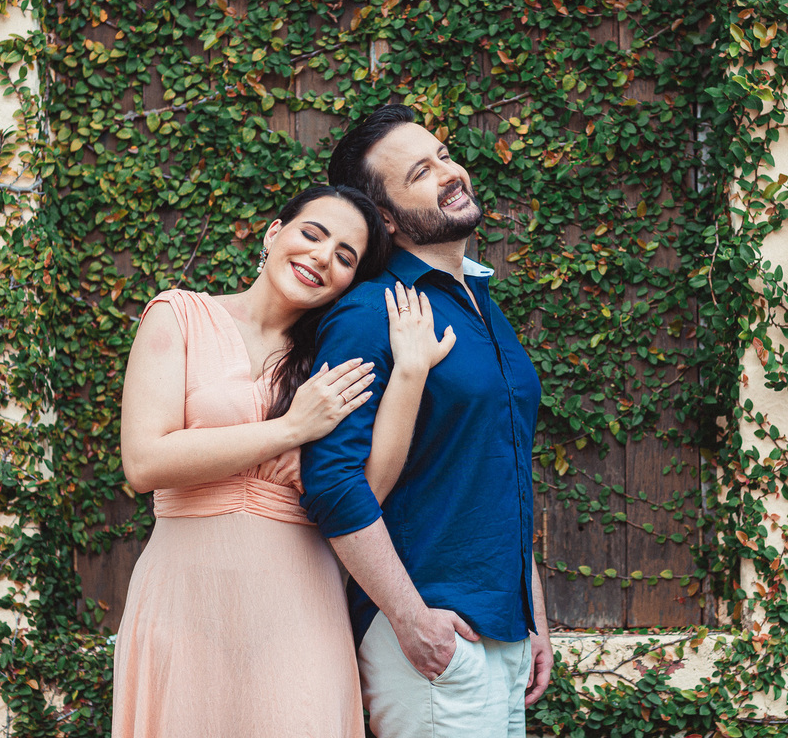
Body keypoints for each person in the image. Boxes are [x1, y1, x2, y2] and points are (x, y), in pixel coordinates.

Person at [111, 184, 456, 738]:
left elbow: (367, 487)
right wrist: (290, 430)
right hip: (183, 601)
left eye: (345, 257)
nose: (323, 257)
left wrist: (411, 373)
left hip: (298, 610)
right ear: (274, 233)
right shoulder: (178, 316)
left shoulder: (331, 353)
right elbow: (146, 461)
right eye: (312, 235)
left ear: (350, 281)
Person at [300, 105, 553, 738]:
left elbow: (500, 470)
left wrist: (534, 614)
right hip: (432, 638)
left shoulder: (480, 303)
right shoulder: (371, 313)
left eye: (443, 153)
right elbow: (333, 482)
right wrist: (410, 619)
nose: (449, 172)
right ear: (385, 217)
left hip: (502, 629)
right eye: (420, 171)